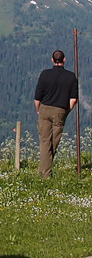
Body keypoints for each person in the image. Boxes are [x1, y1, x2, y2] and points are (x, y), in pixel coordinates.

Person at [34, 50, 78, 178]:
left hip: (44, 108)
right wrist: (66, 111)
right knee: (54, 142)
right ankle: (46, 174)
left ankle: (42, 172)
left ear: (52, 60)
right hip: (60, 110)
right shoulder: (71, 77)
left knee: (44, 141)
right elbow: (73, 99)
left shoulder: (45, 74)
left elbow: (37, 97)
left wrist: (38, 109)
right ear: (64, 60)